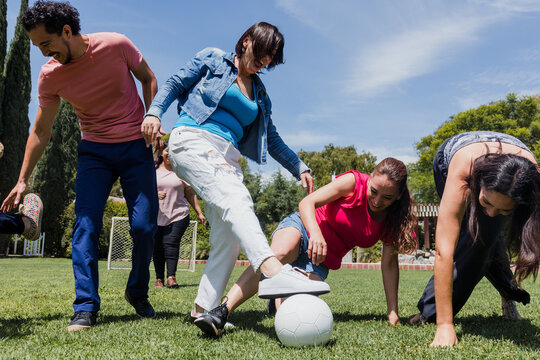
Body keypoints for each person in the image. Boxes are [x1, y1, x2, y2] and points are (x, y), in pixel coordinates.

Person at [142, 22, 330, 325]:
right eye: (263, 52)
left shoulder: (260, 92)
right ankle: (273, 270)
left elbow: (273, 138)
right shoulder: (213, 59)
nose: (265, 61)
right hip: (192, 139)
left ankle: (203, 310)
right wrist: (154, 112)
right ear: (245, 41)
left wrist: (299, 166)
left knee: (228, 236)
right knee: (237, 198)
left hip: (227, 157)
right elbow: (175, 83)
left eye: (271, 59)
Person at [0, 1, 159, 331]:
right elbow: (41, 130)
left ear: (67, 32)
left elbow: (148, 79)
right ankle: (86, 306)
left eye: (47, 44)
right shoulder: (50, 75)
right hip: (94, 153)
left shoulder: (116, 45)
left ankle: (137, 292)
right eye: (37, 47)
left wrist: (149, 116)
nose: (45, 54)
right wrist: (22, 179)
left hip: (134, 147)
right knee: (85, 225)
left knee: (144, 227)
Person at [194, 157, 418, 336]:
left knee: (292, 312)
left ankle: (276, 299)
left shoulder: (392, 220)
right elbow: (307, 203)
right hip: (303, 228)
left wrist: (393, 313)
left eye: (387, 197)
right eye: (374, 191)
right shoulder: (353, 182)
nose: (377, 201)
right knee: (278, 254)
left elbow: (389, 265)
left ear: (398, 196)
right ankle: (221, 312)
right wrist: (316, 234)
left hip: (321, 260)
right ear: (369, 180)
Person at [408, 131, 539, 347]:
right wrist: (444, 325)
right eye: (486, 202)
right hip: (453, 158)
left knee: (487, 233)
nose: (490, 211)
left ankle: (508, 294)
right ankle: (431, 312)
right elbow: (444, 251)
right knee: (478, 235)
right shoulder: (462, 171)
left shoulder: (533, 180)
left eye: (504, 209)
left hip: (509, 159)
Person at [153, 142, 206, 288]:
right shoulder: (152, 171)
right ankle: (159, 279)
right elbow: (142, 190)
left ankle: (171, 277)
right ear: (161, 153)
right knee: (157, 247)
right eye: (166, 151)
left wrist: (199, 213)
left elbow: (190, 193)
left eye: (172, 151)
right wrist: (154, 194)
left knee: (170, 243)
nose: (169, 154)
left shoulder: (181, 172)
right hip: (156, 216)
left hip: (178, 214)